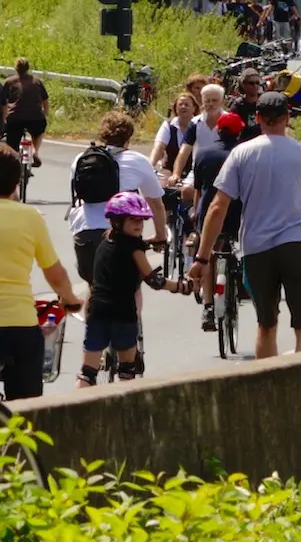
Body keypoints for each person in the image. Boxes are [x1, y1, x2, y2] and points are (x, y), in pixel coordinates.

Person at [188, 93, 301, 358]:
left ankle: (271, 387)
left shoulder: (241, 154)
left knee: (266, 324)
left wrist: (202, 257)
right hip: (297, 244)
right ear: (288, 118)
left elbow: (217, 208)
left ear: (258, 118)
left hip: (256, 248)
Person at [76, 191, 191, 387]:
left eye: (141, 220)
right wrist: (181, 286)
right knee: (127, 370)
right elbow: (154, 280)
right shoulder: (134, 247)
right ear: (118, 221)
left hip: (97, 312)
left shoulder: (106, 241)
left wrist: (145, 244)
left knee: (87, 373)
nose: (139, 224)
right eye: (132, 220)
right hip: (122, 314)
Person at [0, 147, 82, 400]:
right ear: (17, 183)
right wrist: (70, 300)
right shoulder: (29, 217)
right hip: (19, 326)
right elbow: (55, 274)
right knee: (26, 411)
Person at [68, 110, 167, 284]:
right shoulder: (137, 160)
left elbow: (76, 197)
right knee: (129, 291)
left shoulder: (81, 159)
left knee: (95, 288)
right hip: (119, 235)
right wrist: (160, 236)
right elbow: (156, 204)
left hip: (84, 232)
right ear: (128, 137)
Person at [2, 57, 49, 166]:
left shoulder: (9, 82)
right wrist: (45, 114)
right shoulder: (37, 81)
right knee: (39, 131)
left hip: (15, 118)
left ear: (16, 68)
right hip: (35, 117)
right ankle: (34, 151)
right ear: (28, 68)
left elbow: (3, 101)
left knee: (12, 144)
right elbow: (45, 101)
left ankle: (15, 160)